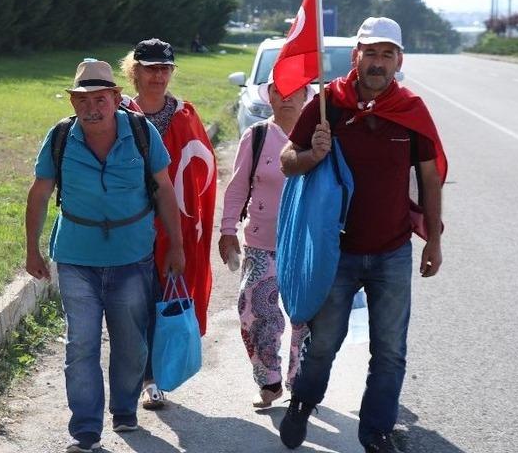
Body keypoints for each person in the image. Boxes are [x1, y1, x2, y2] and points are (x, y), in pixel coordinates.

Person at [277, 17, 448, 453]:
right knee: (324, 345)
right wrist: (312, 154)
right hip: (337, 251)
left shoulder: (410, 110)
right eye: (370, 52)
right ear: (356, 56)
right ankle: (302, 402)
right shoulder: (327, 104)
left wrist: (434, 239)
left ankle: (376, 432)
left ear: (399, 61)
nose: (377, 62)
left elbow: (429, 178)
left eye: (386, 54)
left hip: (393, 251)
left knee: (390, 351)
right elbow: (286, 160)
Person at [25, 60, 185, 453]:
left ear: (116, 99)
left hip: (132, 256)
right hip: (77, 256)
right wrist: (32, 248)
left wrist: (177, 246)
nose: (91, 108)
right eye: (82, 100)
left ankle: (124, 409)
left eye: (100, 98)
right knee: (81, 343)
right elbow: (40, 192)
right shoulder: (61, 136)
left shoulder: (140, 131)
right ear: (73, 102)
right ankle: (85, 431)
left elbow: (164, 189)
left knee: (131, 343)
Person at [120, 38, 217, 410]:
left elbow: (203, 175)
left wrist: (193, 229)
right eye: (150, 68)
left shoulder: (185, 115)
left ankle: (153, 376)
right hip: (132, 226)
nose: (158, 76)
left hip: (174, 227)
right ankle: (141, 376)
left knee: (163, 301)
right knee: (133, 307)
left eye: (164, 69)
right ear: (135, 71)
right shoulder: (121, 113)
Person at [218, 77, 312, 409]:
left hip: (306, 246)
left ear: (306, 95)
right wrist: (227, 228)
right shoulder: (257, 136)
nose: (286, 98)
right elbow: (238, 186)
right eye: (278, 91)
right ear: (270, 96)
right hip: (261, 242)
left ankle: (301, 385)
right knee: (253, 311)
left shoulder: (318, 136)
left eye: (294, 92)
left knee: (306, 318)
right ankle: (269, 380)